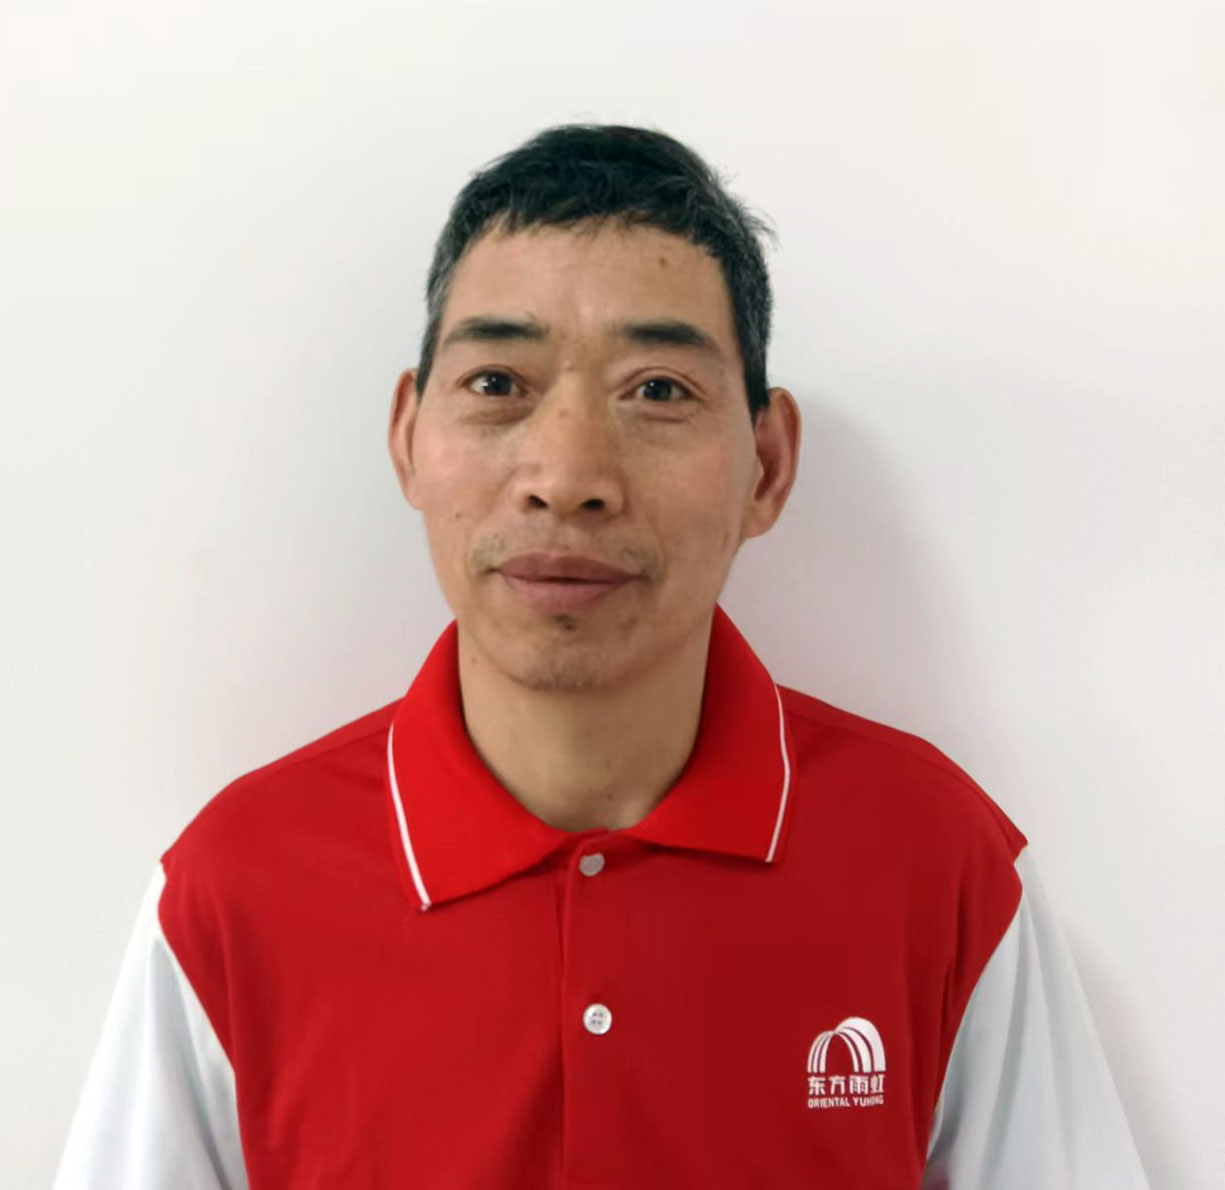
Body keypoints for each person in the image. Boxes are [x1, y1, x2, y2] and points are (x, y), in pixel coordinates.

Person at [54, 123, 1150, 1189]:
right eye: (498, 383)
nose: (567, 475)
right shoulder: (235, 892)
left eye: (658, 390)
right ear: (407, 437)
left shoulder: (939, 866)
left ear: (766, 465)